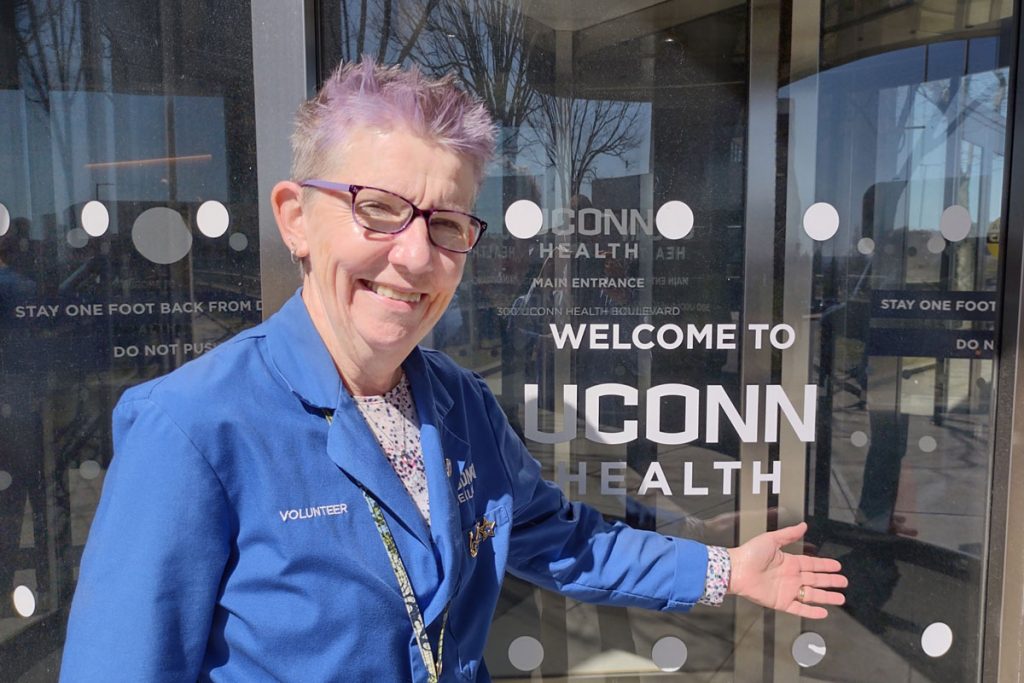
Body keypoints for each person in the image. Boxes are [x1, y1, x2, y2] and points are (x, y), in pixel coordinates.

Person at [61, 61, 845, 682]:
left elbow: (562, 540)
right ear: (296, 217)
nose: (413, 255)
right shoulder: (191, 427)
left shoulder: (457, 402)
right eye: (377, 208)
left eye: (445, 223)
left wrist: (725, 570)